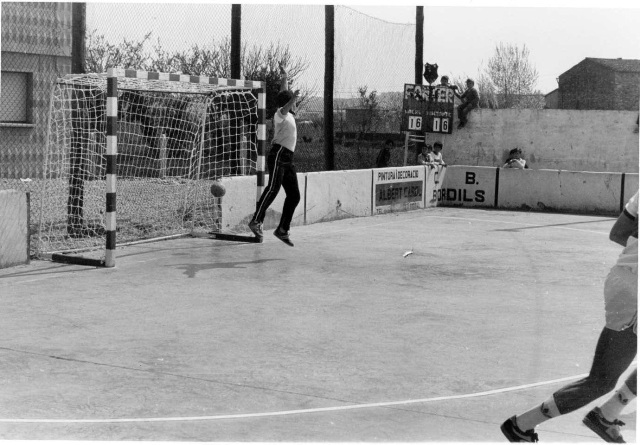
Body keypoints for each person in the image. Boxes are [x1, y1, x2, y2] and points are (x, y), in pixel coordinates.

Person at [501, 190, 638, 443]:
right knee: (601, 380)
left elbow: (618, 233)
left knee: (602, 379)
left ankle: (608, 414)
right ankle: (521, 425)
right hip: (635, 290)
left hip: (623, 279)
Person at [248, 63, 300, 247]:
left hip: (288, 159)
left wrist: (284, 77)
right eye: (291, 102)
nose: (293, 104)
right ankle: (256, 220)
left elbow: (283, 92)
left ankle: (282, 230)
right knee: (273, 189)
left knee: (294, 196)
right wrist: (292, 98)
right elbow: (285, 104)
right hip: (278, 154)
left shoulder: (290, 114)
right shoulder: (280, 114)